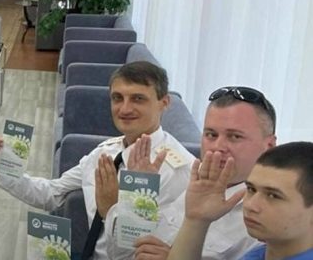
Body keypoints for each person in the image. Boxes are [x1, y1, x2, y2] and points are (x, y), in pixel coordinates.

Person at [0, 61, 195, 260]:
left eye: (138, 99)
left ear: (164, 103)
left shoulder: (181, 171)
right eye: (117, 98)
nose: (125, 109)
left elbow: (134, 253)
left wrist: (112, 208)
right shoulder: (106, 152)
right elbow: (52, 193)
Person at [114, 86, 277, 260]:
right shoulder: (191, 179)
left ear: (268, 146)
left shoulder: (270, 214)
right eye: (211, 135)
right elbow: (122, 254)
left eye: (235, 137)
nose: (218, 147)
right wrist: (135, 197)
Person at [167, 142, 313, 260]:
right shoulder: (259, 254)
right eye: (251, 189)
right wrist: (196, 220)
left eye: (273, 196)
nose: (250, 205)